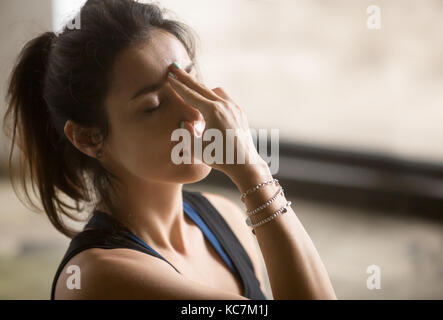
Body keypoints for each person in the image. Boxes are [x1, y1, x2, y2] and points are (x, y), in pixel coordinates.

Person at [3, 0, 336, 300]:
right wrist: (251, 169)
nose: (195, 113)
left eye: (188, 83)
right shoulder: (100, 278)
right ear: (89, 138)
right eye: (154, 105)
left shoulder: (226, 217)